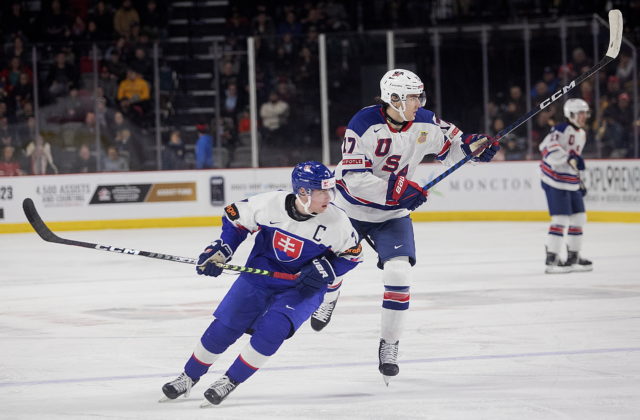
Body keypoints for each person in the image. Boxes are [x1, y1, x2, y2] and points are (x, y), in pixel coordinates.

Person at [309, 69, 499, 384]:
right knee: (333, 268)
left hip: (391, 215)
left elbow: (452, 148)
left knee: (399, 273)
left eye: (417, 96)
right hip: (352, 209)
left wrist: (474, 148)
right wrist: (399, 189)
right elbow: (354, 180)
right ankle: (329, 299)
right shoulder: (363, 124)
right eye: (412, 97)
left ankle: (389, 344)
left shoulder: (424, 120)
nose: (418, 102)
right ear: (394, 99)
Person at [160, 161, 362, 406]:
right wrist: (223, 249)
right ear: (302, 192)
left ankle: (230, 380)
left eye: (329, 190)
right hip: (261, 274)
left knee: (273, 331)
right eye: (320, 191)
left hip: (302, 286)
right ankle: (188, 376)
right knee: (225, 327)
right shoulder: (269, 204)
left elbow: (353, 255)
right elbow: (235, 220)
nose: (327, 197)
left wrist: (326, 270)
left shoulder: (337, 221)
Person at [539, 98, 593, 274]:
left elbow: (574, 160)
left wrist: (579, 180)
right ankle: (552, 258)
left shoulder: (582, 134)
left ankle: (573, 257)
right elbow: (546, 147)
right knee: (560, 220)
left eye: (585, 113)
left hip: (570, 181)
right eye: (580, 113)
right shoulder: (561, 129)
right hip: (554, 180)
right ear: (570, 114)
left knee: (579, 218)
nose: (584, 116)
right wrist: (567, 157)